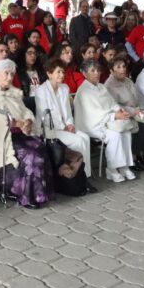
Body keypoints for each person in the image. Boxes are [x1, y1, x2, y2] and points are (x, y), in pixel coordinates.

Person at [0, 59, 52, 208]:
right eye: (6, 73)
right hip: (2, 138)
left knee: (39, 144)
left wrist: (27, 121)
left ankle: (40, 192)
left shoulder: (11, 92)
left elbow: (24, 111)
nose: (9, 77)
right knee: (30, 153)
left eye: (12, 74)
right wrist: (18, 123)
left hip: (18, 134)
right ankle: (25, 194)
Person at [35, 59, 98, 191]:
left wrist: (69, 124)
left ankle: (85, 175)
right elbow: (45, 116)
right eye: (58, 72)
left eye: (63, 72)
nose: (62, 75)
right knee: (78, 142)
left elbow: (68, 112)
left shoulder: (64, 88)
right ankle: (82, 179)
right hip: (49, 130)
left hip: (64, 127)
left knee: (85, 138)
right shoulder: (41, 91)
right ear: (49, 73)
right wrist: (63, 127)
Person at [74, 59, 137, 182]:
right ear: (84, 73)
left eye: (98, 70)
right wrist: (113, 116)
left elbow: (112, 103)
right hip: (91, 125)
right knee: (115, 135)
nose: (96, 73)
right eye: (92, 70)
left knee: (126, 131)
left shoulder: (102, 87)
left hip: (107, 121)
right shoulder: (83, 91)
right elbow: (93, 114)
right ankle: (112, 169)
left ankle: (124, 166)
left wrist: (119, 111)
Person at [105, 55, 144, 169]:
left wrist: (141, 109)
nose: (122, 69)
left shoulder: (128, 81)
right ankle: (133, 157)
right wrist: (133, 111)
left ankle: (142, 152)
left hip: (136, 111)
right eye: (118, 67)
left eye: (123, 66)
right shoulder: (109, 85)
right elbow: (115, 105)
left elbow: (137, 98)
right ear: (112, 70)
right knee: (141, 126)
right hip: (123, 114)